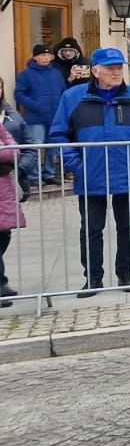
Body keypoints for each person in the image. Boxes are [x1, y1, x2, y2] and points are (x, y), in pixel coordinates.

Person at [50, 48, 130, 297]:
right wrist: (76, 165)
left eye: (119, 68)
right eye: (110, 68)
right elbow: (59, 135)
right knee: (91, 229)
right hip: (91, 175)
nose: (116, 72)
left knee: (128, 227)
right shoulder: (73, 97)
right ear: (95, 71)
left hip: (129, 173)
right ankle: (93, 278)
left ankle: (126, 274)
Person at [14, 44, 66, 186]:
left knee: (54, 147)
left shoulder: (56, 73)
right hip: (35, 118)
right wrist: (35, 106)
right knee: (35, 147)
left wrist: (62, 110)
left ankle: (49, 174)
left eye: (48, 55)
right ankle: (33, 176)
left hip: (55, 117)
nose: (46, 58)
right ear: (35, 57)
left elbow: (63, 92)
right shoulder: (26, 74)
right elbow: (19, 94)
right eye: (43, 55)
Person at [0, 120, 23, 307]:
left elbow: (14, 150)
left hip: (3, 190)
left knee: (4, 235)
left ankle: (1, 281)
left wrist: (5, 151)